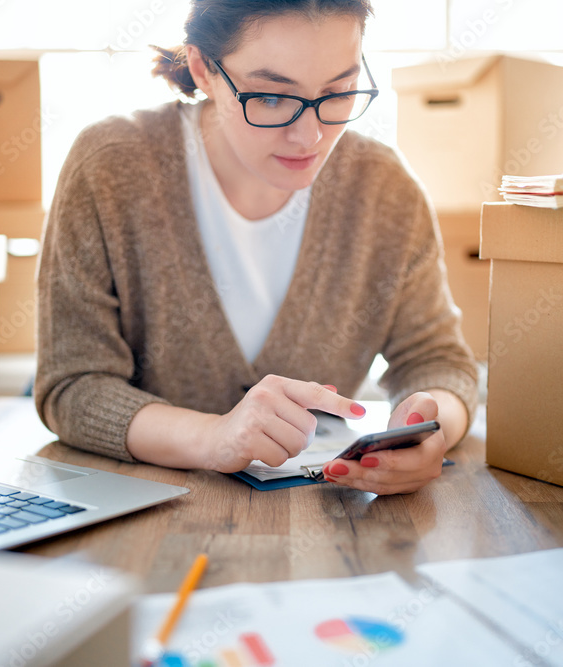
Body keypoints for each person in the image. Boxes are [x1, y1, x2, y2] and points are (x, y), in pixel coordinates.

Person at [34, 0, 478, 495]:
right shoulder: (111, 167)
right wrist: (212, 437)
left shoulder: (384, 188)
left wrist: (429, 431)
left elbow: (439, 363)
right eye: (269, 97)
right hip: (144, 519)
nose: (309, 136)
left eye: (339, 91)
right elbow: (71, 385)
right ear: (203, 69)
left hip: (325, 522)